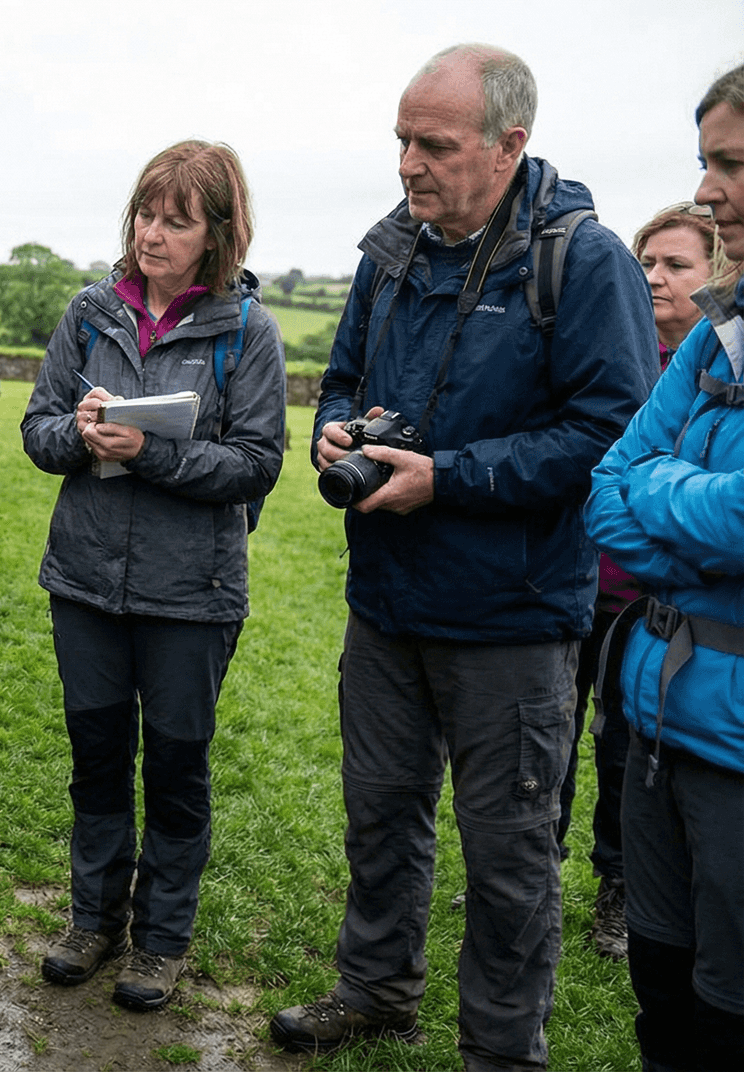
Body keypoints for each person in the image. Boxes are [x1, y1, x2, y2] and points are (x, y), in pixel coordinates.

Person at [267, 44, 654, 1069]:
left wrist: (451, 475)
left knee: (510, 857)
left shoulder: (583, 259)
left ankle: (499, 1051)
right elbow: (343, 374)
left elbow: (612, 430)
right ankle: (378, 988)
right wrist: (337, 429)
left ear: (509, 144)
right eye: (401, 139)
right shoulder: (391, 249)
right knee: (380, 816)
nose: (408, 164)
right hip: (387, 602)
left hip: (513, 619)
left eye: (433, 145)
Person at [21, 141, 285, 1012]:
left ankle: (161, 942)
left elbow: (255, 465)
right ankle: (93, 922)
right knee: (97, 761)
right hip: (87, 586)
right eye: (146, 213)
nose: (153, 234)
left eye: (177, 220)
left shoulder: (247, 330)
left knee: (176, 770)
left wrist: (154, 455)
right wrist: (83, 435)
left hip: (192, 598)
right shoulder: (89, 314)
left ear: (217, 234)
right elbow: (38, 431)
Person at [585, 62, 744, 1072]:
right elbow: (608, 486)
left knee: (730, 1009)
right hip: (654, 719)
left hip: (736, 746)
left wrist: (662, 490)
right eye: (705, 164)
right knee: (661, 993)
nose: (712, 190)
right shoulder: (725, 324)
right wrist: (691, 506)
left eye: (731, 165)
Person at [559, 201, 730, 962]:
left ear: (716, 272)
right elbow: (606, 480)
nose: (654, 278)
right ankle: (538, 863)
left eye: (676, 264)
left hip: (657, 612)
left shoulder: (712, 368)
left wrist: (652, 495)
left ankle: (618, 894)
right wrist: (672, 532)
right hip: (585, 584)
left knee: (624, 750)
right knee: (555, 740)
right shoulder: (617, 354)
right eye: (646, 262)